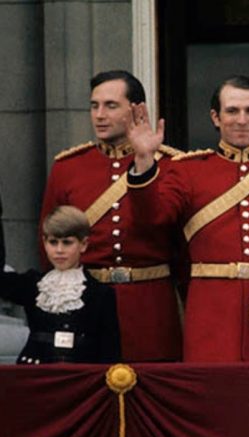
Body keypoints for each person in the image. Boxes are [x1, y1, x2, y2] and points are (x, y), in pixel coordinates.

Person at [127, 75, 249, 361]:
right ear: (215, 117)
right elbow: (151, 220)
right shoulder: (187, 170)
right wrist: (145, 160)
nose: (242, 119)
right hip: (210, 313)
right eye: (232, 111)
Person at [39, 70, 183, 362]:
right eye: (94, 106)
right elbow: (48, 249)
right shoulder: (68, 167)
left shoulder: (171, 165)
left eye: (111, 105)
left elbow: (181, 246)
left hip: (149, 307)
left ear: (137, 110)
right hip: (85, 304)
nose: (99, 115)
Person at [2, 206, 120, 364]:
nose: (59, 250)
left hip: (80, 377)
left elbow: (109, 352)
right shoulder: (33, 285)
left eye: (67, 243)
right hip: (35, 374)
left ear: (83, 244)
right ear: (44, 243)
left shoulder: (100, 294)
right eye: (53, 242)